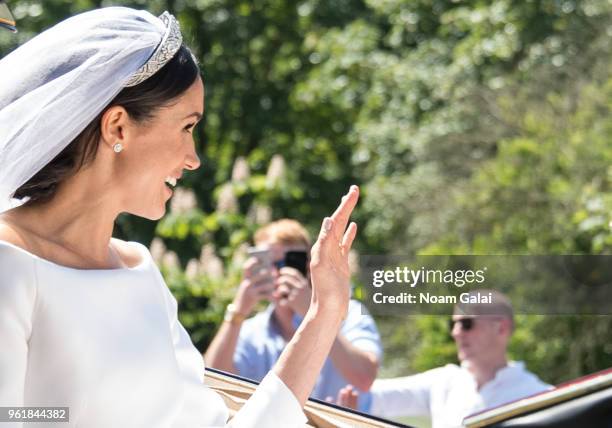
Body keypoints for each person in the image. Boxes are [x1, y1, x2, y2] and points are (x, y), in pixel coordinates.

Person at [0, 7, 360, 427]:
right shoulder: (10, 266)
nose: (193, 160)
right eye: (187, 127)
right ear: (118, 127)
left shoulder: (140, 270)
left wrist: (325, 311)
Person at [204, 219, 382, 411]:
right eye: (268, 262)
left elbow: (365, 378)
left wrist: (316, 313)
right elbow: (211, 384)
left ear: (309, 267)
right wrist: (237, 312)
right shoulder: (251, 330)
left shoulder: (348, 312)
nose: (279, 272)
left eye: (290, 262)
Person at [339, 290, 551, 428]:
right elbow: (366, 393)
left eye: (467, 324)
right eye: (454, 325)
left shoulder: (541, 396)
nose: (456, 333)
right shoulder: (445, 382)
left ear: (501, 327)